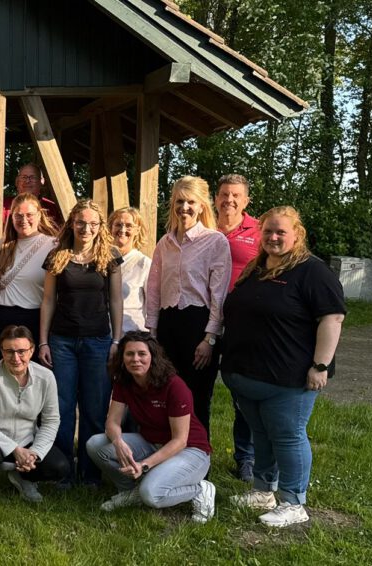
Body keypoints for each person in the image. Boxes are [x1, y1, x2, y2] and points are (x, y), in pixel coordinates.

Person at [222, 206, 345, 527]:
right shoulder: (256, 267)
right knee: (262, 434)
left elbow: (332, 318)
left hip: (288, 378)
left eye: (281, 232)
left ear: (297, 234)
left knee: (288, 436)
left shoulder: (312, 272)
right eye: (267, 231)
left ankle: (294, 501)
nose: (273, 237)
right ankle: (263, 490)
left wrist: (321, 364)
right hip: (247, 374)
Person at [86, 331, 216, 523]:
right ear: (122, 358)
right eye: (129, 354)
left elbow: (180, 440)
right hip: (151, 443)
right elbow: (112, 422)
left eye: (141, 354)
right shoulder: (124, 381)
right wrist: (118, 442)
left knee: (152, 495)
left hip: (190, 450)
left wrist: (144, 465)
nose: (135, 359)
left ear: (153, 357)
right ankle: (131, 491)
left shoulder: (174, 385)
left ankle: (200, 489)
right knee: (95, 444)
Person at [39, 199, 123, 486]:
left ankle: (90, 472)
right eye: (80, 222)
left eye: (92, 224)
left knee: (94, 407)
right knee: (61, 408)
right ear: (72, 224)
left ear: (100, 227)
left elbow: (115, 300)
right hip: (61, 341)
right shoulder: (57, 256)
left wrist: (116, 339)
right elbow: (48, 300)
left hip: (98, 341)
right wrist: (43, 341)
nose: (86, 228)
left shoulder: (109, 256)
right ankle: (62, 471)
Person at [145, 176, 231, 437]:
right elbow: (154, 289)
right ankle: (170, 455)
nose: (184, 207)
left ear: (202, 205)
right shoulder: (164, 243)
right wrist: (152, 332)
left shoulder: (215, 242)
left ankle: (199, 459)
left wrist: (211, 338)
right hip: (169, 324)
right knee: (168, 393)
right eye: (179, 201)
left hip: (199, 327)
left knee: (196, 397)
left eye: (190, 202)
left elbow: (219, 294)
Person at [0, 325, 69, 510]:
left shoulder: (46, 377)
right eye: (9, 351)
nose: (16, 358)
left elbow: (51, 420)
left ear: (32, 350)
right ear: (2, 351)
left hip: (27, 438)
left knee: (60, 466)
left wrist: (35, 452)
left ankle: (24, 477)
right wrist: (15, 450)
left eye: (22, 351)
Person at [214, 173, 261, 483]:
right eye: (224, 194)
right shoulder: (202, 227)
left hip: (243, 324)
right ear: (215, 198)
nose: (229, 200)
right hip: (203, 320)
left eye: (235, 195)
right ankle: (193, 448)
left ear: (246, 201)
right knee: (195, 389)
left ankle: (246, 457)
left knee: (243, 393)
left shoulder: (259, 231)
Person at [0, 193, 61, 364]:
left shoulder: (53, 246)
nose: (23, 219)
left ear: (39, 215)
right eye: (18, 215)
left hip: (34, 319)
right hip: (0, 317)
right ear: (11, 216)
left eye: (29, 215)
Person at [108, 207, 151, 334]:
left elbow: (152, 307)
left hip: (132, 335)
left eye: (129, 226)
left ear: (137, 230)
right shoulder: (101, 261)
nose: (122, 230)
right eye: (118, 225)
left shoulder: (144, 264)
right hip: (103, 337)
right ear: (111, 228)